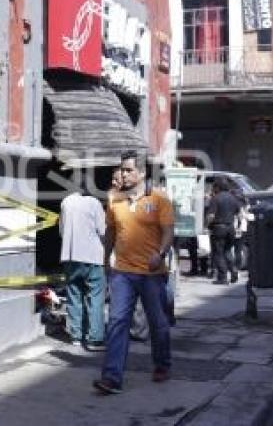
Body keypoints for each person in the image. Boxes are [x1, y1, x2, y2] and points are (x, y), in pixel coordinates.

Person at [93, 150, 174, 395]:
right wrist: (105, 258)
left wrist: (159, 254)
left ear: (142, 173)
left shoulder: (159, 199)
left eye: (128, 170)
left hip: (152, 273)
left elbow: (168, 231)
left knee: (158, 323)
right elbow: (111, 232)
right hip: (123, 273)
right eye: (122, 169)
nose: (123, 174)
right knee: (117, 321)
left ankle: (162, 364)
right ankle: (112, 377)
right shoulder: (115, 200)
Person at [59, 174, 107, 351]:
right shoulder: (94, 203)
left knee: (74, 296)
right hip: (93, 257)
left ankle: (76, 336)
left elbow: (62, 231)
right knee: (95, 298)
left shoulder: (66, 202)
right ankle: (95, 339)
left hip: (71, 256)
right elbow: (102, 230)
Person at [206, 178, 243, 284]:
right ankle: (234, 270)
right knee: (227, 251)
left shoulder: (216, 199)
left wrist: (206, 225)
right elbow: (240, 215)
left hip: (218, 228)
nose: (213, 189)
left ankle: (222, 278)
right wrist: (238, 226)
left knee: (219, 253)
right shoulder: (233, 198)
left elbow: (211, 216)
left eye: (214, 187)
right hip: (230, 228)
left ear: (218, 187)